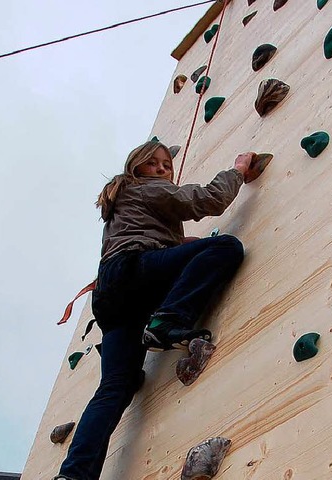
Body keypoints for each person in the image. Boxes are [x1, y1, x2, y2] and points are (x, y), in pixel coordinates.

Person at [54, 140, 253, 480]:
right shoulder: (144, 188)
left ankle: (73, 475)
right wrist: (237, 171)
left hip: (113, 300)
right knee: (225, 247)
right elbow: (207, 200)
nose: (162, 170)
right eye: (154, 164)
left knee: (116, 386)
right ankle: (167, 323)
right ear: (137, 168)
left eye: (166, 166)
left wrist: (176, 246)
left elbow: (143, 237)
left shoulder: (121, 204)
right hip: (133, 275)